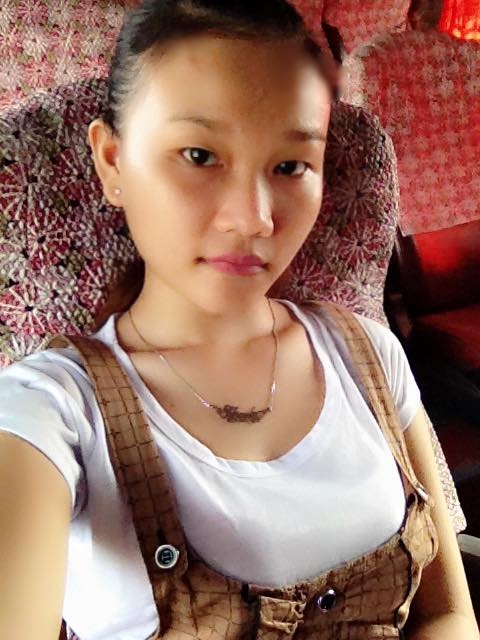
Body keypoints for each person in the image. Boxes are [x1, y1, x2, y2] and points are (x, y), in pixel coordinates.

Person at [0, 1, 477, 638]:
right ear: (113, 162)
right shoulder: (51, 410)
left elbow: (446, 612)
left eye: (290, 166)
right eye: (199, 155)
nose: (253, 218)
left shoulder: (368, 353)